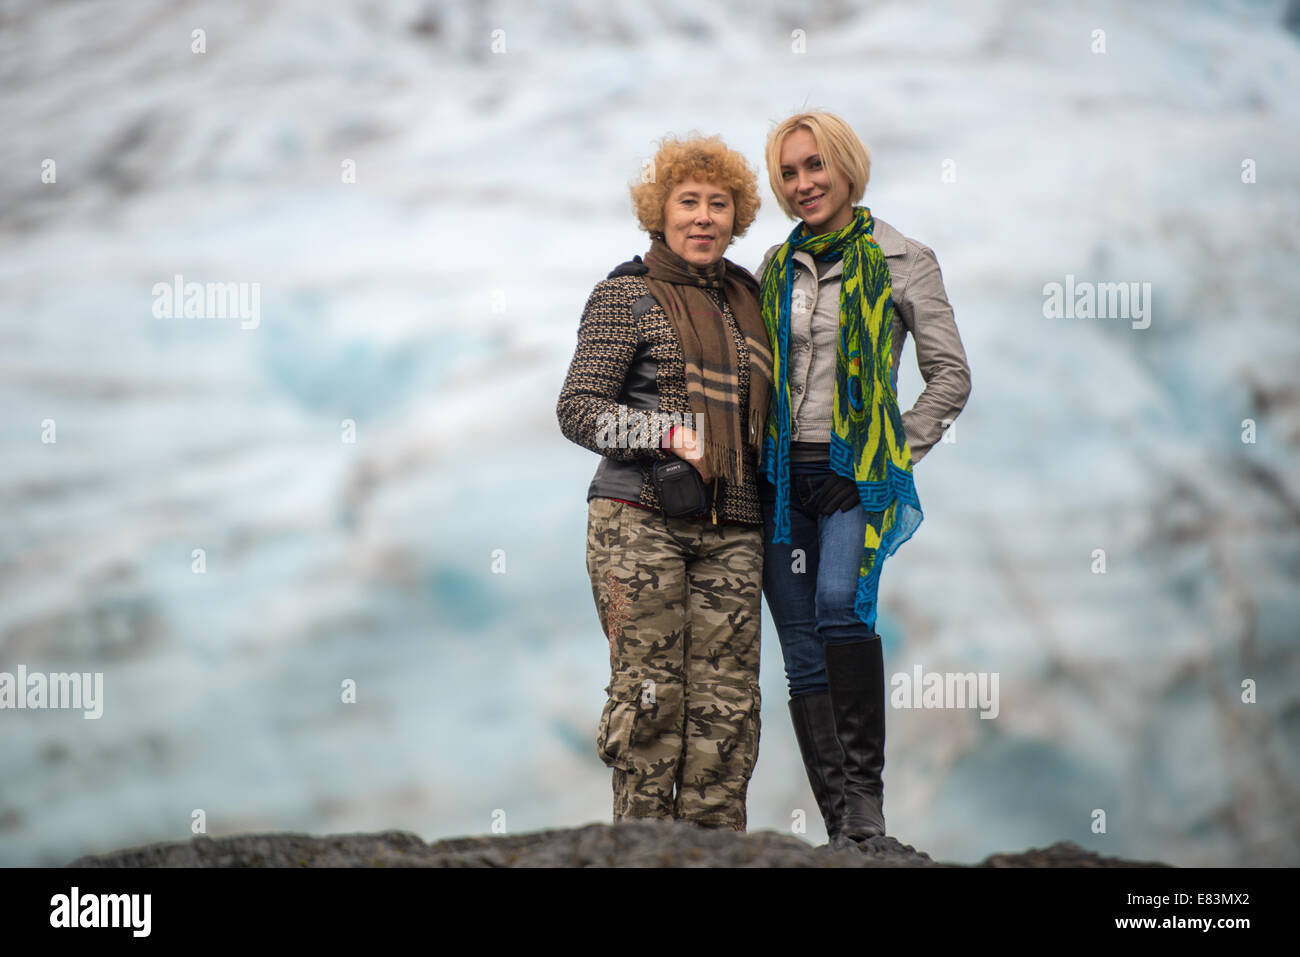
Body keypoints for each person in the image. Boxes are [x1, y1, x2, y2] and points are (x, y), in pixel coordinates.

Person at [754, 111, 971, 850]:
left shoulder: (905, 259)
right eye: (789, 172)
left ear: (846, 166)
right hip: (783, 482)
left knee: (840, 607)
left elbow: (949, 377)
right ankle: (847, 832)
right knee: (801, 650)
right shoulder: (773, 271)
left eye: (815, 165)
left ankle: (868, 806)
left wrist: (889, 455)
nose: (803, 183)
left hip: (855, 474)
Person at [556, 133, 775, 831]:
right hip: (640, 519)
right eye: (689, 202)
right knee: (651, 703)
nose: (704, 216)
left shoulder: (752, 300)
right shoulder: (626, 294)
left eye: (719, 203)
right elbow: (578, 409)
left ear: (736, 215)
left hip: (734, 528)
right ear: (660, 211)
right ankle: (644, 851)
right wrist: (665, 434)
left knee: (727, 711)